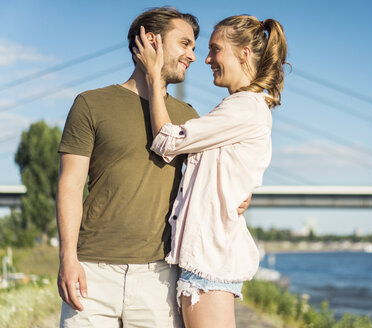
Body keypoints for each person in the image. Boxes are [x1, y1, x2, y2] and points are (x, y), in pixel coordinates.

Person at [56, 7, 250, 328]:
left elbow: (217, 176)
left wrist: (241, 195)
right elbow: (70, 186)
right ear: (150, 40)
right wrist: (68, 259)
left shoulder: (188, 115)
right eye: (185, 43)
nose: (193, 54)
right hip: (91, 271)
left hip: (159, 279)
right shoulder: (91, 104)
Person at [133, 14, 288, 328]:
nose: (206, 59)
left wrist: (152, 75)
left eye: (215, 49)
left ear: (244, 52)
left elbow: (166, 141)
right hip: (206, 259)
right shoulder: (245, 107)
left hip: (210, 263)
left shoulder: (244, 107)